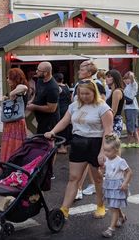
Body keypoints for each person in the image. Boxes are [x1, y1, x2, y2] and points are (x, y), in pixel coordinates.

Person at [44, 80, 113, 220]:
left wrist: (102, 152)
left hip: (96, 143)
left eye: (87, 93)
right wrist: (52, 131)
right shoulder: (74, 106)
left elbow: (108, 131)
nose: (84, 96)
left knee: (97, 179)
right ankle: (64, 210)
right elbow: (65, 121)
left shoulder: (103, 107)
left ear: (94, 92)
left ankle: (101, 206)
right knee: (73, 178)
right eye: (81, 93)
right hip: (78, 143)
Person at [74, 60, 106, 199]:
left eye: (81, 69)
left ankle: (83, 189)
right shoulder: (78, 84)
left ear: (89, 72)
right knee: (85, 164)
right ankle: (82, 188)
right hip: (80, 127)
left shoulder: (97, 84)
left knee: (92, 165)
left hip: (94, 131)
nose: (79, 71)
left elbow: (102, 103)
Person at [101, 133, 132, 238]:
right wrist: (102, 172)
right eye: (105, 150)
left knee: (113, 207)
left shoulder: (120, 161)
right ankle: (122, 217)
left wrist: (125, 183)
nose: (106, 153)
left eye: (108, 151)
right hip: (109, 185)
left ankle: (111, 229)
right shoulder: (107, 159)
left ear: (116, 149)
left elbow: (129, 172)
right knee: (113, 205)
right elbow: (105, 170)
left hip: (118, 186)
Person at [0, 68, 29, 163]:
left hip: (17, 123)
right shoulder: (14, 89)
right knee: (9, 145)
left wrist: (11, 94)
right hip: (9, 123)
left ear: (15, 78)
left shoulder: (20, 88)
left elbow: (24, 87)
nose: (7, 80)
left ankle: (14, 166)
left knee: (15, 146)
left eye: (9, 78)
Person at [26, 61, 60, 134]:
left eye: (39, 70)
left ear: (46, 73)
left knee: (46, 143)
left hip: (49, 122)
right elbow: (36, 92)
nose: (36, 71)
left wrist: (34, 107)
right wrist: (32, 100)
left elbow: (51, 109)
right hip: (40, 119)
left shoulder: (53, 87)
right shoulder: (40, 80)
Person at [53, 72, 72, 154]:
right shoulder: (66, 86)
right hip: (67, 108)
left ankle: (61, 146)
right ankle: (66, 145)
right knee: (67, 127)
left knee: (61, 128)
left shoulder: (57, 88)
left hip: (60, 109)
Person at [122, 71, 139, 148]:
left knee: (130, 125)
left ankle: (129, 142)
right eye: (125, 79)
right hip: (129, 108)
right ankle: (137, 142)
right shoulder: (127, 86)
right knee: (133, 125)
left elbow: (132, 79)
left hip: (132, 108)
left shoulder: (133, 85)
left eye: (127, 79)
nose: (126, 80)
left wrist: (130, 75)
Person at [105, 70, 125, 137]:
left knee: (111, 144)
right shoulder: (114, 91)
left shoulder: (117, 91)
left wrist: (107, 123)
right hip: (113, 120)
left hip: (114, 121)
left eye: (109, 77)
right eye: (106, 77)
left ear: (115, 78)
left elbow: (114, 110)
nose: (106, 79)